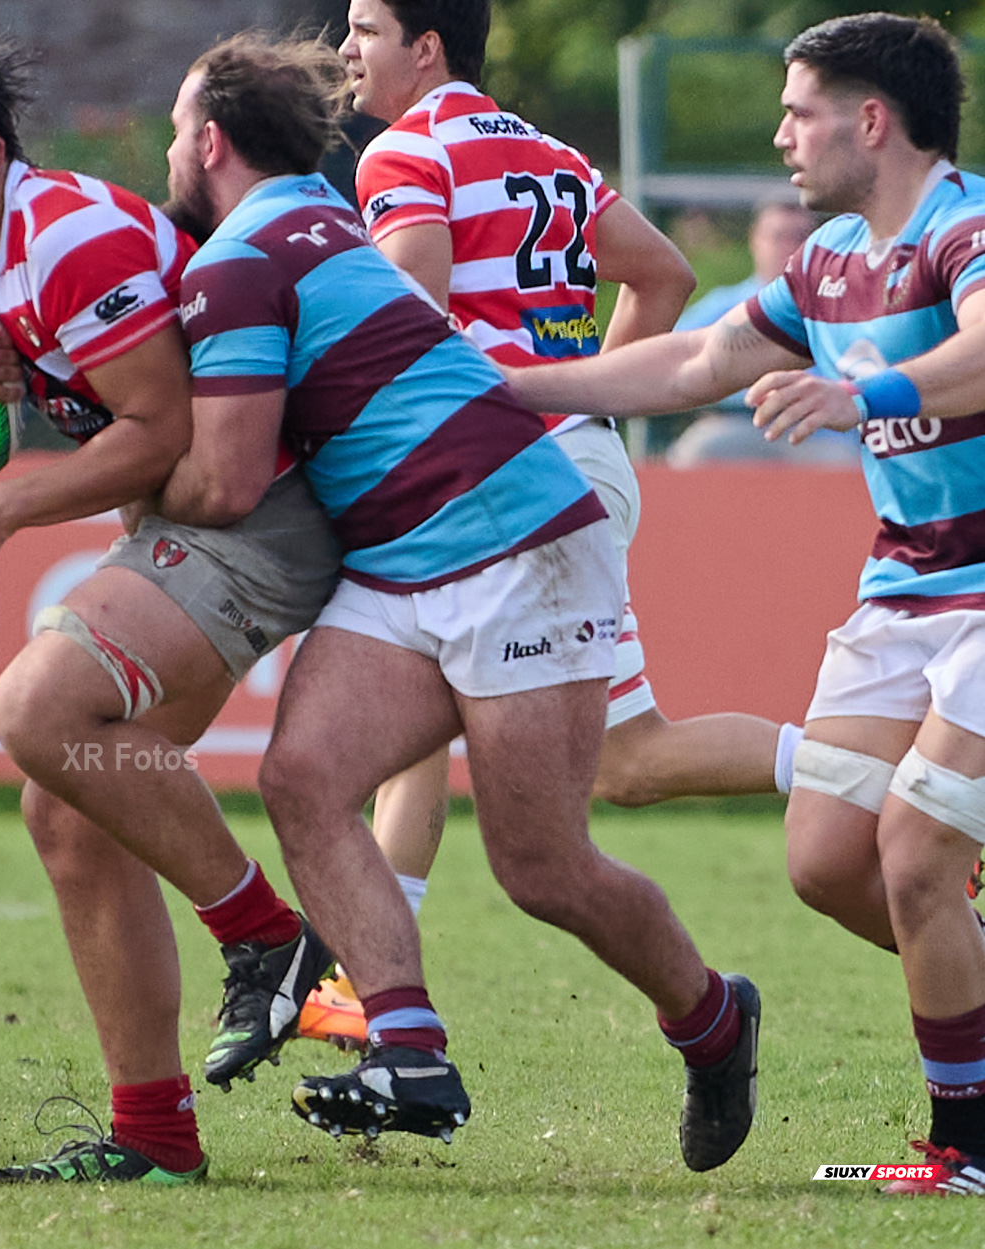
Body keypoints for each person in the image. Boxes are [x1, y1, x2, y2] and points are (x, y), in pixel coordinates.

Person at [159, 30, 759, 1172]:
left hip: (514, 530)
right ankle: (411, 1052)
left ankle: (715, 1020)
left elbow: (252, 455)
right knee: (303, 776)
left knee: (543, 865)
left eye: (366, 24)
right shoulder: (341, 209)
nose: (348, 42)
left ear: (212, 140)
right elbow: (658, 271)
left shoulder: (350, 190)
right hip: (407, 547)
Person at [0, 15, 343, 1184]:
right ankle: (155, 1138)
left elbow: (159, 434)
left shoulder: (70, 240)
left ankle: (270, 943)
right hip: (183, 520)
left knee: (37, 710)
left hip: (255, 509)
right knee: (68, 809)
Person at [504, 13, 985, 1194]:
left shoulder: (963, 227)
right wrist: (510, 389)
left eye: (799, 109)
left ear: (872, 120)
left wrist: (858, 392)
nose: (780, 133)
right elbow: (697, 365)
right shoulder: (824, 260)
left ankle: (966, 1151)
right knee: (828, 855)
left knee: (918, 852)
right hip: (907, 582)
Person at [664, 201, 855, 466]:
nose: (788, 248)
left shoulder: (841, 306)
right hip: (738, 426)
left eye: (799, 237)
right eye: (778, 236)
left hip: (820, 433)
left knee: (848, 465)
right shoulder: (722, 307)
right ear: (755, 240)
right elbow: (670, 356)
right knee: (693, 453)